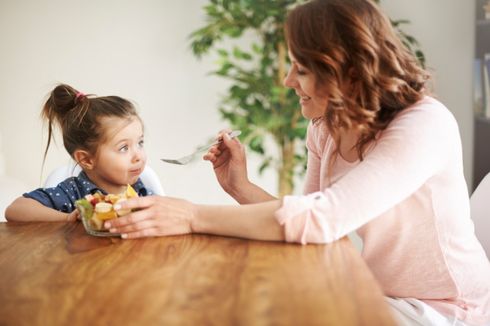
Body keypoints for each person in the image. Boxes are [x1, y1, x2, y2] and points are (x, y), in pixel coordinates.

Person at [104, 0, 490, 324]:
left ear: (347, 72)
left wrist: (190, 215)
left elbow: (322, 220)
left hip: (446, 312)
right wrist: (240, 186)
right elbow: (311, 223)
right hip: (376, 293)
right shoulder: (326, 127)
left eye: (301, 69)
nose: (288, 81)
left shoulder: (425, 123)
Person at [5, 84, 153, 222]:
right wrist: (68, 218)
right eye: (124, 148)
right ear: (86, 159)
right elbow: (15, 210)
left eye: (140, 143)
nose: (138, 156)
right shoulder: (72, 193)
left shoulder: (141, 189)